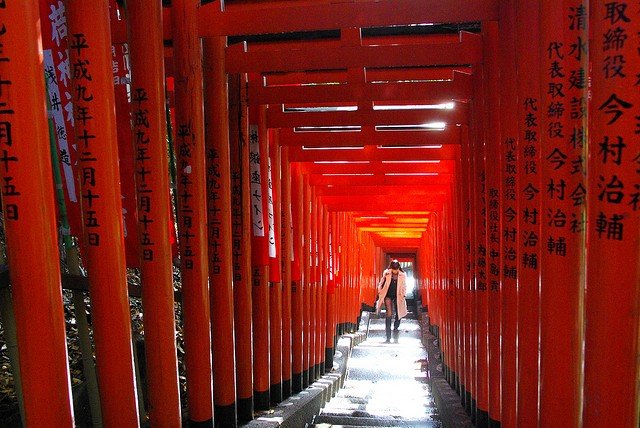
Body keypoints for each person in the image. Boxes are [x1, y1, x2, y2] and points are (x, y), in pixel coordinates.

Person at [375, 259, 408, 342]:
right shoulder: (387, 273)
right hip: (388, 295)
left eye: (396, 270)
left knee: (398, 312)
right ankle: (388, 335)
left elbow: (404, 285)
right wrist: (380, 291)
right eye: (394, 270)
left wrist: (404, 294)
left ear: (399, 268)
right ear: (391, 268)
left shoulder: (403, 275)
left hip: (398, 295)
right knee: (389, 313)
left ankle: (396, 326)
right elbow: (381, 282)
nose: (395, 272)